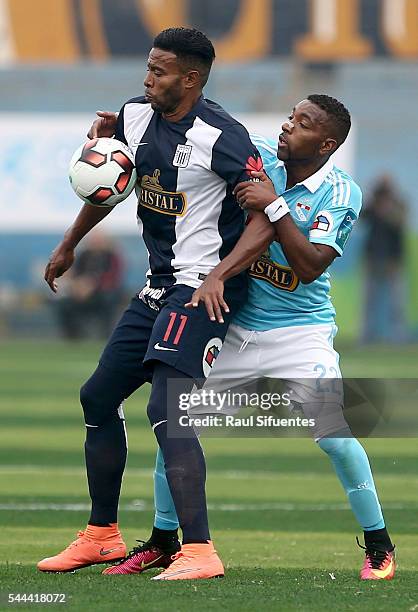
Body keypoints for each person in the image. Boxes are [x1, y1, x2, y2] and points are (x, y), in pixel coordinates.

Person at [102, 95, 395, 581]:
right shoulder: (258, 153)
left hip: (299, 332)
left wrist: (276, 207)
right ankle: (162, 540)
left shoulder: (341, 192)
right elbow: (195, 138)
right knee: (174, 422)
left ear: (326, 144)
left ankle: (380, 544)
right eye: (290, 117)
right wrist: (129, 129)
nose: (287, 127)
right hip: (234, 324)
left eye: (302, 124)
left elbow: (308, 267)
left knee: (335, 437)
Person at [38, 27, 272, 580]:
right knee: (97, 396)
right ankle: (101, 536)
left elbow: (265, 217)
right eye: (148, 67)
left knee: (168, 409)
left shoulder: (224, 137)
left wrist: (219, 274)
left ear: (190, 80)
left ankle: (199, 551)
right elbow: (109, 185)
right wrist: (70, 243)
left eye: (159, 72)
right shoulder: (134, 117)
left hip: (203, 290)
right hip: (157, 287)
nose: (148, 79)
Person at [361, 174, 408, 344]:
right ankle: (367, 335)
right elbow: (362, 217)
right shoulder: (373, 206)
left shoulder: (398, 204)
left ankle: (399, 335)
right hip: (373, 258)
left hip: (393, 260)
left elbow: (399, 222)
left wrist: (386, 210)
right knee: (370, 300)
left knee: (396, 302)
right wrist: (374, 204)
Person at [52, 230, 124, 339]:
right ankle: (72, 337)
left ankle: (106, 336)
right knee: (64, 303)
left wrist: (93, 285)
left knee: (109, 299)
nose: (95, 242)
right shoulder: (83, 255)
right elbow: (74, 273)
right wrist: (77, 285)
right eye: (93, 239)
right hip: (81, 293)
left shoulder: (112, 256)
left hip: (103, 293)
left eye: (98, 239)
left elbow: (113, 277)